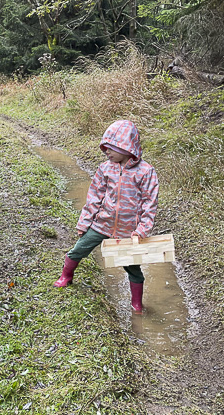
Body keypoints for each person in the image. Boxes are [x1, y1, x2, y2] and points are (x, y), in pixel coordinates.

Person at [53, 120, 159, 313]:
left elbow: (149, 204)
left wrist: (141, 230)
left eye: (110, 148)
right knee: (79, 249)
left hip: (128, 231)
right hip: (102, 223)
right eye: (105, 148)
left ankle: (136, 303)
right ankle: (66, 276)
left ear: (126, 147)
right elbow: (94, 197)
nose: (106, 152)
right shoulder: (105, 168)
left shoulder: (145, 172)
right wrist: (84, 222)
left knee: (132, 267)